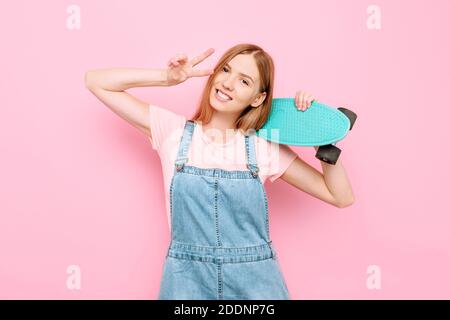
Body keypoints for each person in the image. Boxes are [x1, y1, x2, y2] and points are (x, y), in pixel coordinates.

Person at [85, 43, 355, 300]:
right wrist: (167, 77)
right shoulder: (173, 132)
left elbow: (340, 196)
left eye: (244, 81)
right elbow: (96, 81)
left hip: (256, 282)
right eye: (226, 70)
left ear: (258, 98)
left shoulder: (263, 147)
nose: (227, 83)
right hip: (186, 280)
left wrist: (320, 135)